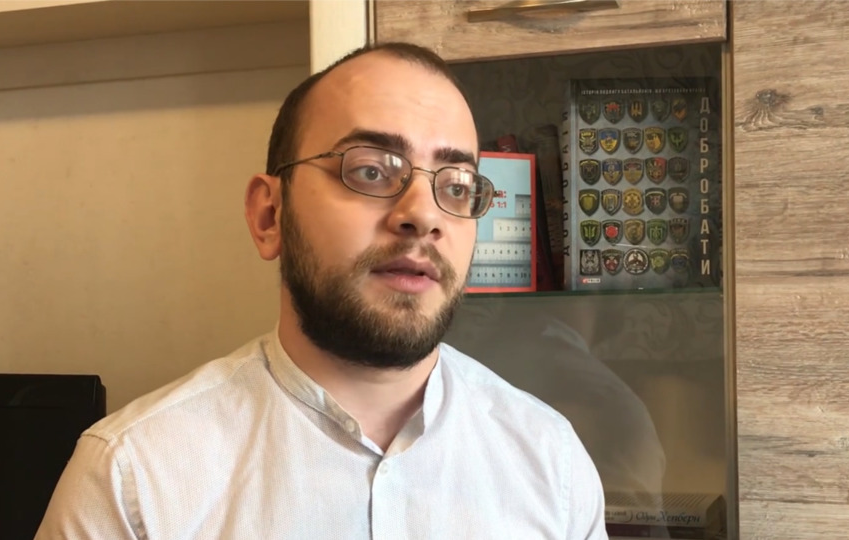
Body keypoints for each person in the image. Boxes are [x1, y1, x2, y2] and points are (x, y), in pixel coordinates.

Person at [34, 42, 607, 539]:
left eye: (456, 186)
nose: (424, 215)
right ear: (269, 216)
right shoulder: (132, 478)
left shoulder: (551, 463)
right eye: (371, 171)